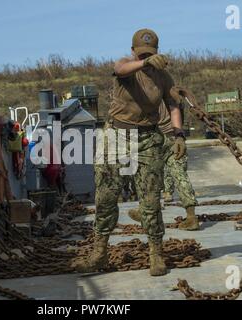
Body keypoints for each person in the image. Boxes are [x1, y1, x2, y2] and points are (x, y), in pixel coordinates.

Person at [73, 28, 186, 276]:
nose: (147, 58)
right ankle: (99, 252)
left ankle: (156, 254)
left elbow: (173, 104)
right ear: (133, 50)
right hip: (115, 136)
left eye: (151, 53)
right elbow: (121, 69)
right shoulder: (126, 66)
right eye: (142, 52)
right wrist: (143, 62)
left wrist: (178, 134)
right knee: (105, 197)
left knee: (150, 200)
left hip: (147, 138)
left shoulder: (163, 77)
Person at [128, 101, 199, 230]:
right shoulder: (167, 89)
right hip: (173, 138)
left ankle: (145, 212)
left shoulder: (145, 92)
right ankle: (191, 217)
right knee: (180, 176)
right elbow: (176, 110)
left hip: (154, 140)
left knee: (149, 177)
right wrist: (180, 136)